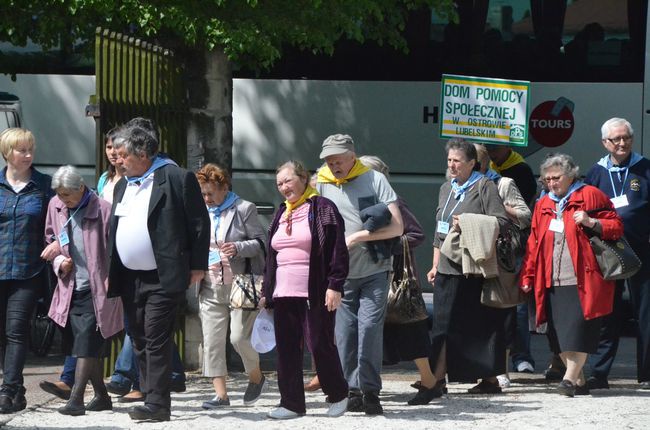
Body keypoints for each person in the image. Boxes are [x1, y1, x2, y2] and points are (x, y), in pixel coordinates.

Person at [106, 122, 210, 422]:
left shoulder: (176, 177)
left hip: (164, 274)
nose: (118, 160)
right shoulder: (124, 184)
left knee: (155, 336)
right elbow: (116, 229)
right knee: (138, 337)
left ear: (144, 153)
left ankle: (157, 404)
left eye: (124, 154)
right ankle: (149, 394)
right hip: (129, 275)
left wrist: (197, 265)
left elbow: (199, 223)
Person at [521, 153, 623, 397]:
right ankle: (580, 381)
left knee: (578, 330)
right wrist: (528, 275)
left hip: (583, 277)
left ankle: (568, 379)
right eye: (547, 179)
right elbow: (534, 242)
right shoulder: (544, 203)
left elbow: (616, 227)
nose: (551, 183)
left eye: (556, 177)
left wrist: (591, 222)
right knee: (559, 334)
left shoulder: (589, 195)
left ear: (570, 175)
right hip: (551, 277)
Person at [316, 134, 403, 415]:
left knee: (368, 330)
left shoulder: (375, 179)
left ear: (352, 156)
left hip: (375, 268)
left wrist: (356, 238)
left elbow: (397, 228)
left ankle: (370, 391)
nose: (333, 165)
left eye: (337, 160)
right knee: (344, 333)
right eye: (329, 161)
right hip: (339, 274)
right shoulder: (321, 182)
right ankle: (350, 390)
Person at [39, 125, 125, 402]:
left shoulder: (102, 209)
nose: (62, 201)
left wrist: (114, 277)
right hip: (69, 287)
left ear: (81, 188)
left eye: (67, 195)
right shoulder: (55, 205)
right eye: (60, 196)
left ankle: (76, 398)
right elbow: (51, 240)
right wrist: (59, 260)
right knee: (82, 344)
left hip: (97, 286)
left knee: (88, 342)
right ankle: (101, 395)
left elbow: (115, 248)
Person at [262, 160, 349, 419]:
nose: (283, 187)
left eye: (288, 180)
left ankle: (338, 394)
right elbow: (271, 256)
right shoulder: (281, 212)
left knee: (320, 344)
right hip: (283, 292)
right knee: (287, 349)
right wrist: (267, 291)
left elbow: (337, 250)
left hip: (314, 290)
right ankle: (291, 404)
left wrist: (335, 285)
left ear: (303, 178)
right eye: (279, 183)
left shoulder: (322, 208)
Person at [427, 138, 510, 395]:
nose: (452, 166)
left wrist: (469, 221)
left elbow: (502, 221)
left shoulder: (484, 186)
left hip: (473, 268)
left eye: (458, 161)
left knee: (476, 325)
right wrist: (434, 263)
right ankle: (437, 378)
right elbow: (439, 231)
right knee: (441, 324)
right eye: (449, 160)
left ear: (472, 163)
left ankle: (488, 379)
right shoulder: (446, 188)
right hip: (447, 267)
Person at [357, 155, 437, 405]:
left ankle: (429, 381)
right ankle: (363, 387)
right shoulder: (356, 202)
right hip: (367, 275)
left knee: (409, 329)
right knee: (367, 333)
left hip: (397, 279)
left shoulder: (394, 202)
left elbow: (416, 234)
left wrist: (384, 243)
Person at [194, 163, 267, 409]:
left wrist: (238, 247)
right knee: (212, 341)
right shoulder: (199, 210)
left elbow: (261, 242)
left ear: (224, 187)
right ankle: (221, 395)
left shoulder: (244, 208)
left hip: (241, 285)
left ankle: (256, 378)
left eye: (210, 193)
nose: (206, 198)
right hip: (209, 284)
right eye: (203, 193)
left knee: (238, 338)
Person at [584, 118, 650, 390]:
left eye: (627, 138)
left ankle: (647, 374)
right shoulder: (596, 173)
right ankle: (599, 374)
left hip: (642, 249)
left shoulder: (645, 168)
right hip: (606, 252)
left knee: (646, 312)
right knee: (607, 312)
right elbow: (585, 210)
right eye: (616, 139)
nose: (622, 143)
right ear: (605, 143)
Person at [0, 128, 53, 414]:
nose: (29, 155)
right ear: (8, 152)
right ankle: (17, 390)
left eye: (31, 149)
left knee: (16, 330)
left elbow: (62, 222)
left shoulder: (44, 186)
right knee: (2, 333)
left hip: (28, 270)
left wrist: (57, 245)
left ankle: (8, 391)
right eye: (22, 150)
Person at [476, 144, 532, 388]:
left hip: (502, 255)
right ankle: (477, 367)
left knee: (503, 310)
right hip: (473, 255)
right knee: (476, 312)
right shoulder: (458, 186)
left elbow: (525, 216)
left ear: (484, 163)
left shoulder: (504, 183)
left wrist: (498, 204)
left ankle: (503, 368)